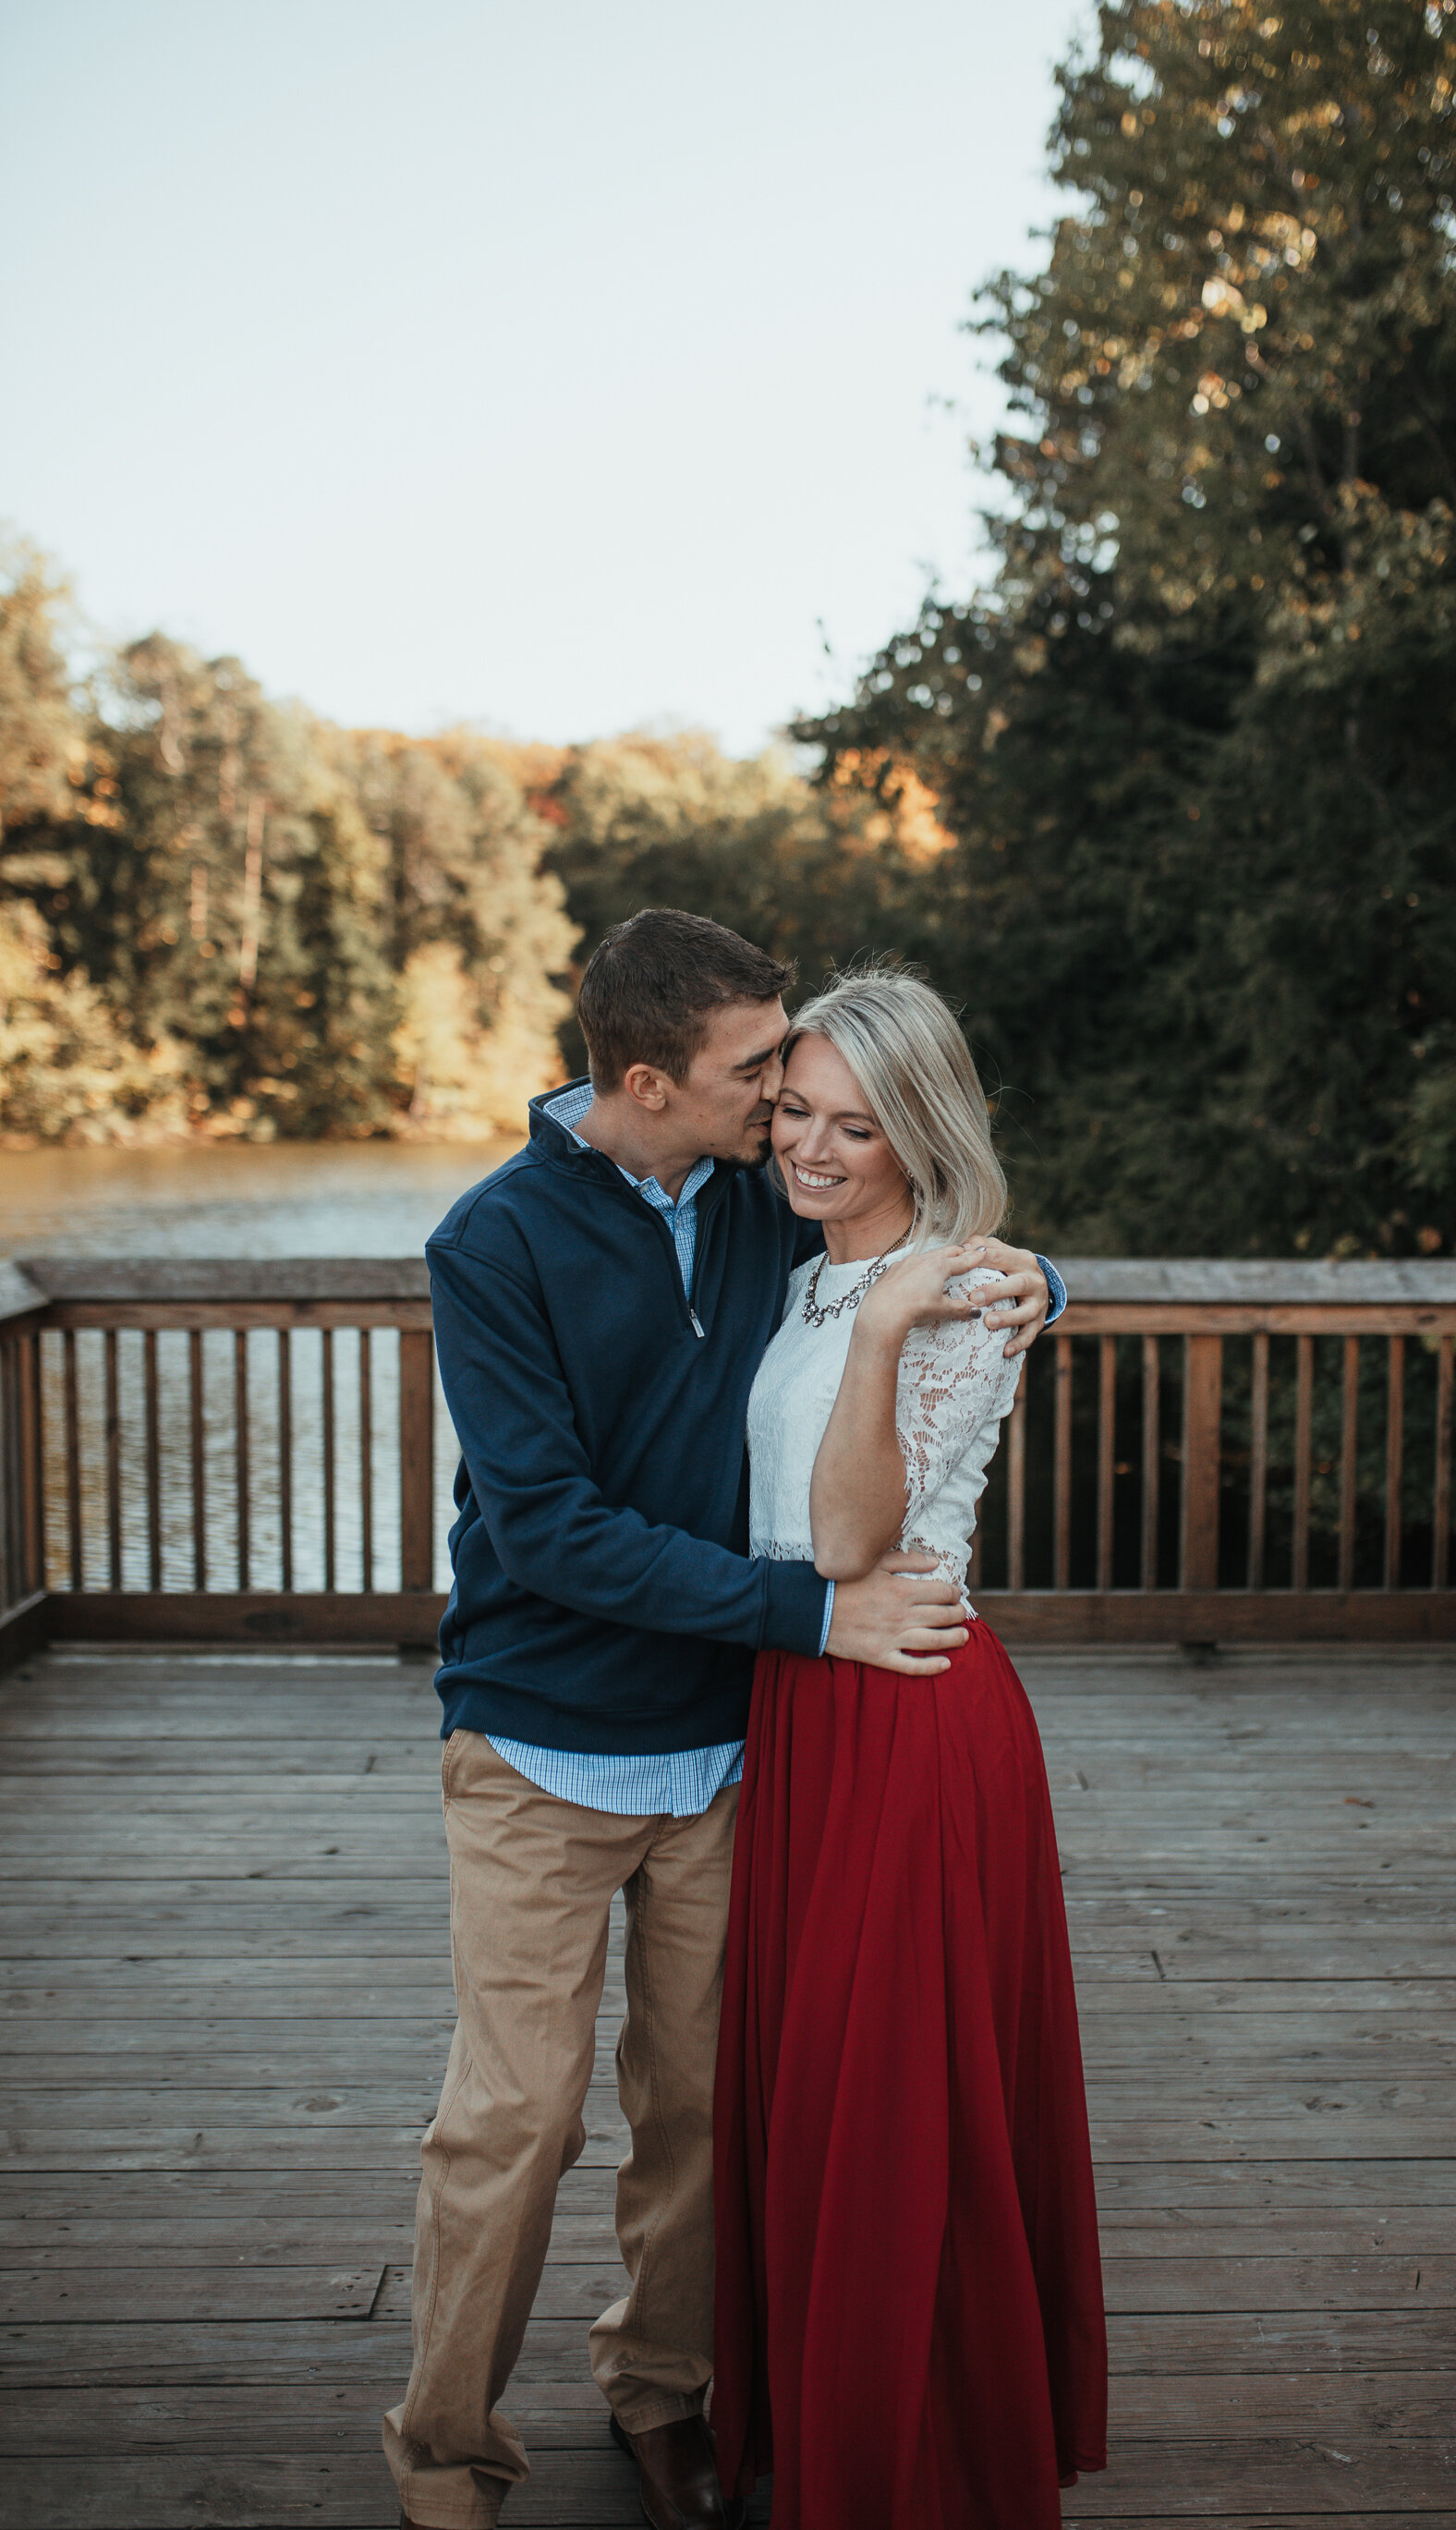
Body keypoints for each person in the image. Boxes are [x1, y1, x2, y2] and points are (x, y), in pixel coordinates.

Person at [382, 909, 1064, 2530]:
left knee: (698, 2111)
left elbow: (900, 1223)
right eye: (758, 1071)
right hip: (542, 1741)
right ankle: (446, 2447)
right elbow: (543, 1527)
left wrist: (1043, 1276)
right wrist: (811, 1615)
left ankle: (661, 2393)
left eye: (790, 1071)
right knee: (517, 2119)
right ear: (646, 1080)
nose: (784, 1100)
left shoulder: (762, 1195)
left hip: (733, 1750)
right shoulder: (495, 1243)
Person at [711, 966, 1109, 2529]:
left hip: (910, 1713)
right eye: (793, 1111)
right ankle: (816, 2417)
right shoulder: (802, 1258)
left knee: (890, 2098)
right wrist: (884, 1296)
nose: (811, 1148)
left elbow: (845, 1530)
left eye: (852, 1126)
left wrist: (884, 1333)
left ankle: (914, 2462)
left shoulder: (942, 1293)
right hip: (806, 1699)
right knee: (817, 2086)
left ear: (916, 1134)